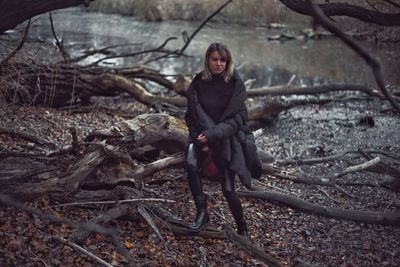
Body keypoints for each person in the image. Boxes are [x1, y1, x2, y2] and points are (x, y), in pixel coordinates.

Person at [184, 42, 262, 238]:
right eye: (215, 59)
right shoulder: (198, 82)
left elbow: (237, 120)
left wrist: (212, 135)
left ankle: (242, 226)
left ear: (227, 62)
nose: (219, 63)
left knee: (228, 189)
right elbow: (190, 116)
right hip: (201, 136)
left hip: (227, 139)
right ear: (207, 60)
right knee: (190, 162)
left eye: (223, 60)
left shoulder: (235, 83)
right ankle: (202, 213)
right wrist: (197, 137)